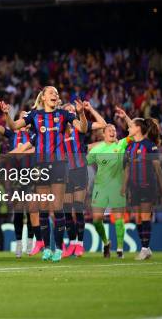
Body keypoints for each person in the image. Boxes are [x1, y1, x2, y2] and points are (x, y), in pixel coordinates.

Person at [4, 86, 87, 262]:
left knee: (57, 206)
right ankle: (47, 248)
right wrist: (7, 114)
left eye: (57, 93)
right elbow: (14, 126)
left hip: (59, 164)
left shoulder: (64, 115)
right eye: (52, 93)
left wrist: (82, 113)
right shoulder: (35, 115)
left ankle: (58, 248)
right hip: (40, 165)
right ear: (43, 97)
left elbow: (83, 128)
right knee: (43, 207)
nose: (55, 95)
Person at [0, 98, 36, 258]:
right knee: (18, 210)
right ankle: (18, 243)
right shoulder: (12, 134)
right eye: (21, 117)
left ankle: (30, 241)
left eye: (26, 117)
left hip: (32, 175)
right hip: (16, 176)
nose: (24, 119)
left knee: (31, 210)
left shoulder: (35, 135)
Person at [62, 101, 106, 258]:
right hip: (64, 174)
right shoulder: (57, 131)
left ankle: (80, 244)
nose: (70, 112)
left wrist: (89, 109)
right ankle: (72, 243)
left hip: (80, 171)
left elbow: (103, 124)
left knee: (78, 208)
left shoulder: (80, 127)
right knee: (67, 211)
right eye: (67, 110)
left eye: (72, 110)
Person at [124, 118, 162, 261]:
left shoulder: (149, 146)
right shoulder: (129, 147)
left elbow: (157, 166)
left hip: (147, 185)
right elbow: (127, 168)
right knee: (136, 218)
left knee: (145, 216)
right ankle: (146, 248)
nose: (128, 129)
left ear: (138, 128)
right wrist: (124, 186)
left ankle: (144, 248)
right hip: (134, 186)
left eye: (130, 126)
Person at [87, 120, 130, 259]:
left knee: (118, 218)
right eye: (109, 130)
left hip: (117, 187)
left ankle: (120, 249)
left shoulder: (121, 144)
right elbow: (83, 162)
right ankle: (106, 243)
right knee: (96, 219)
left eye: (114, 130)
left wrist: (126, 118)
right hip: (100, 188)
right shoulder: (97, 149)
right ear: (103, 134)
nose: (112, 131)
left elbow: (134, 134)